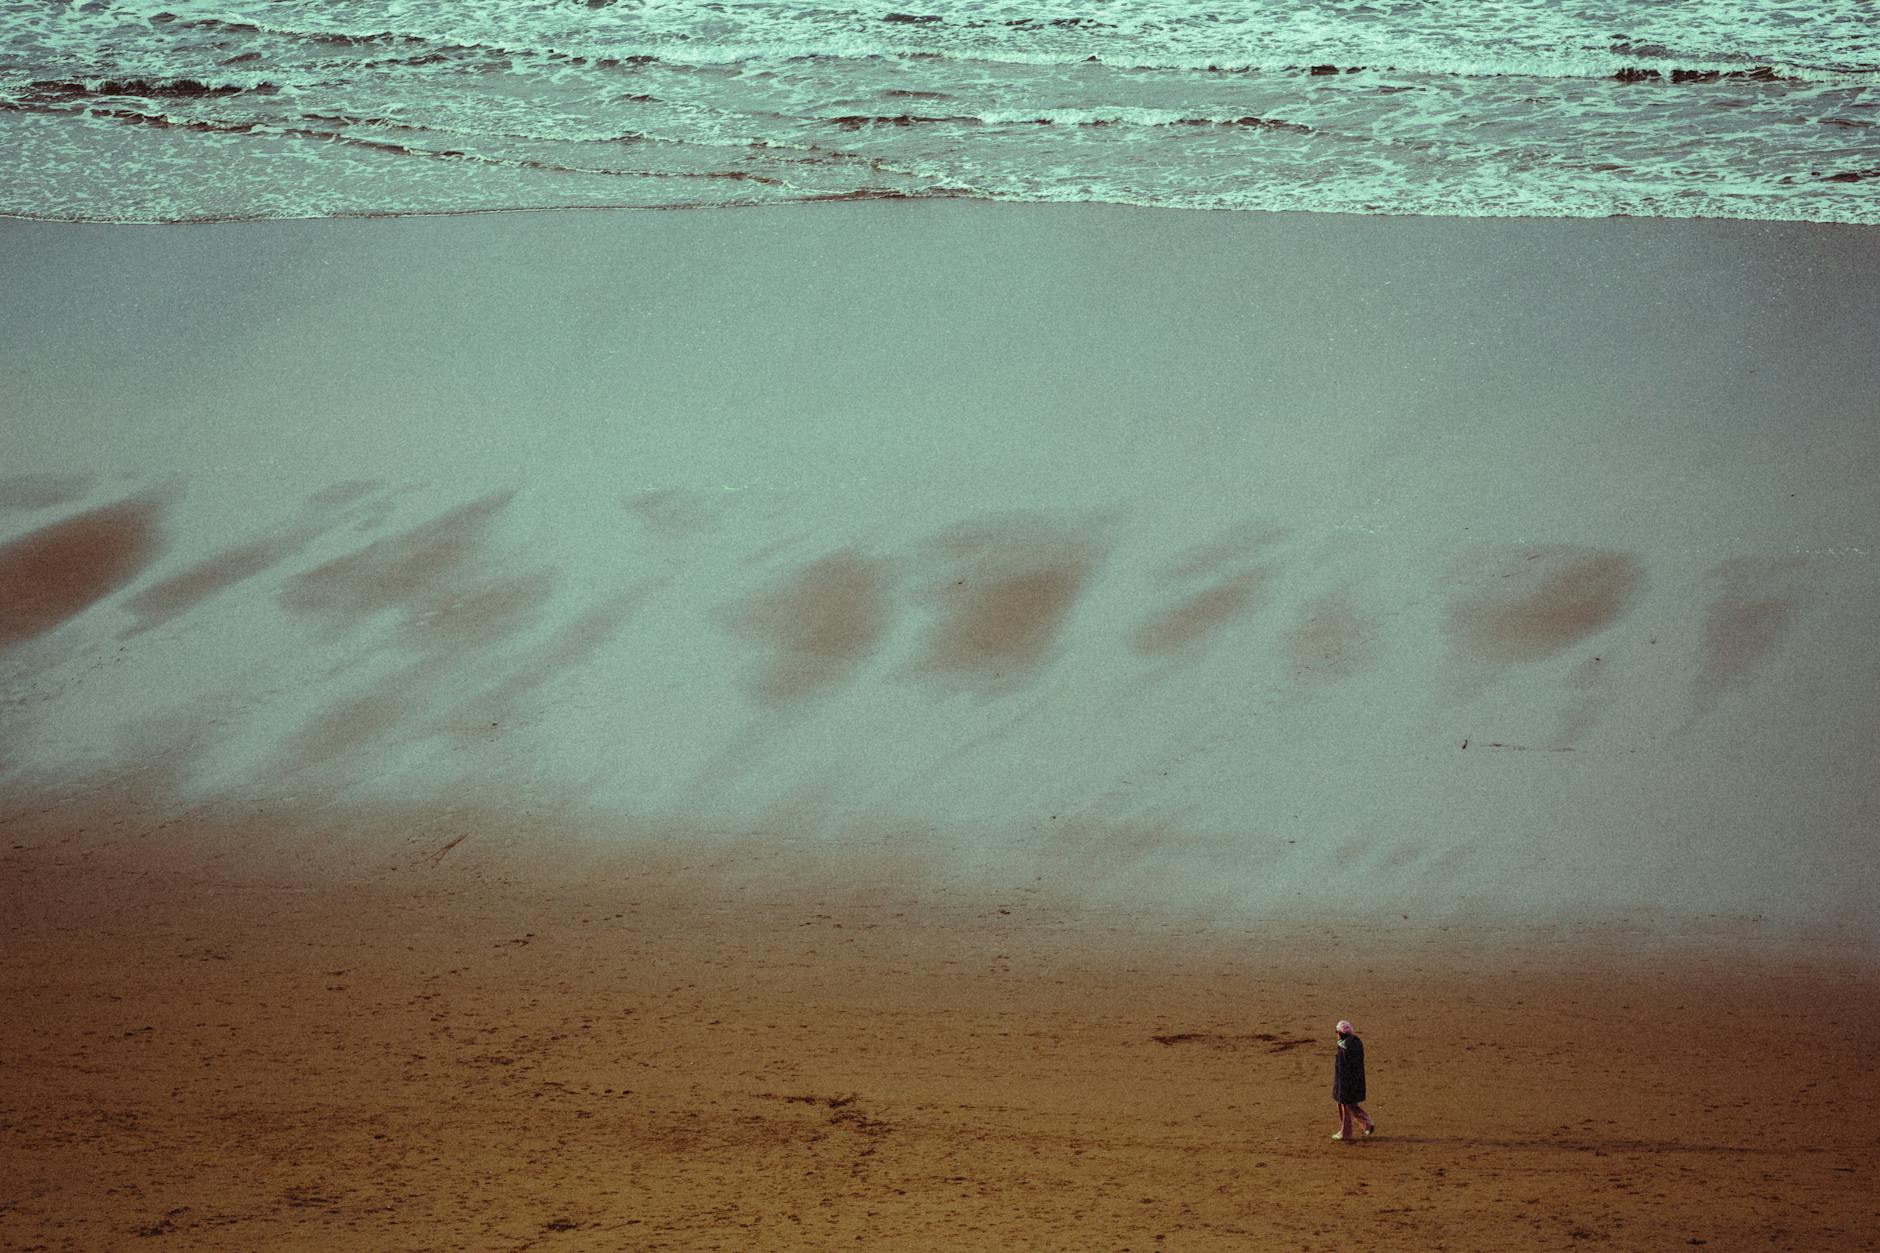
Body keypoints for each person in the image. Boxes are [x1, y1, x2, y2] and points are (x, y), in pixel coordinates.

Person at [1331, 1019, 1375, 1141]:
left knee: (1346, 1107)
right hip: (1355, 1081)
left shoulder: (1345, 1046)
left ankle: (1346, 1133)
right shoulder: (1356, 1043)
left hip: (1346, 1083)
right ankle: (1367, 1124)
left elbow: (1344, 1067)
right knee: (1351, 1106)